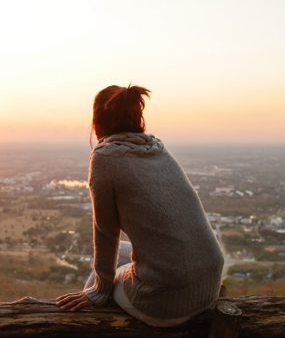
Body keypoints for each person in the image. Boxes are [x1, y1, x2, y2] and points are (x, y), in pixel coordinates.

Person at [56, 84, 224, 327]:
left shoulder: (105, 157)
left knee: (99, 279)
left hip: (167, 303)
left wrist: (97, 293)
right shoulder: (158, 150)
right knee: (123, 256)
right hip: (209, 284)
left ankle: (87, 329)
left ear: (96, 123)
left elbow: (105, 233)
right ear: (139, 119)